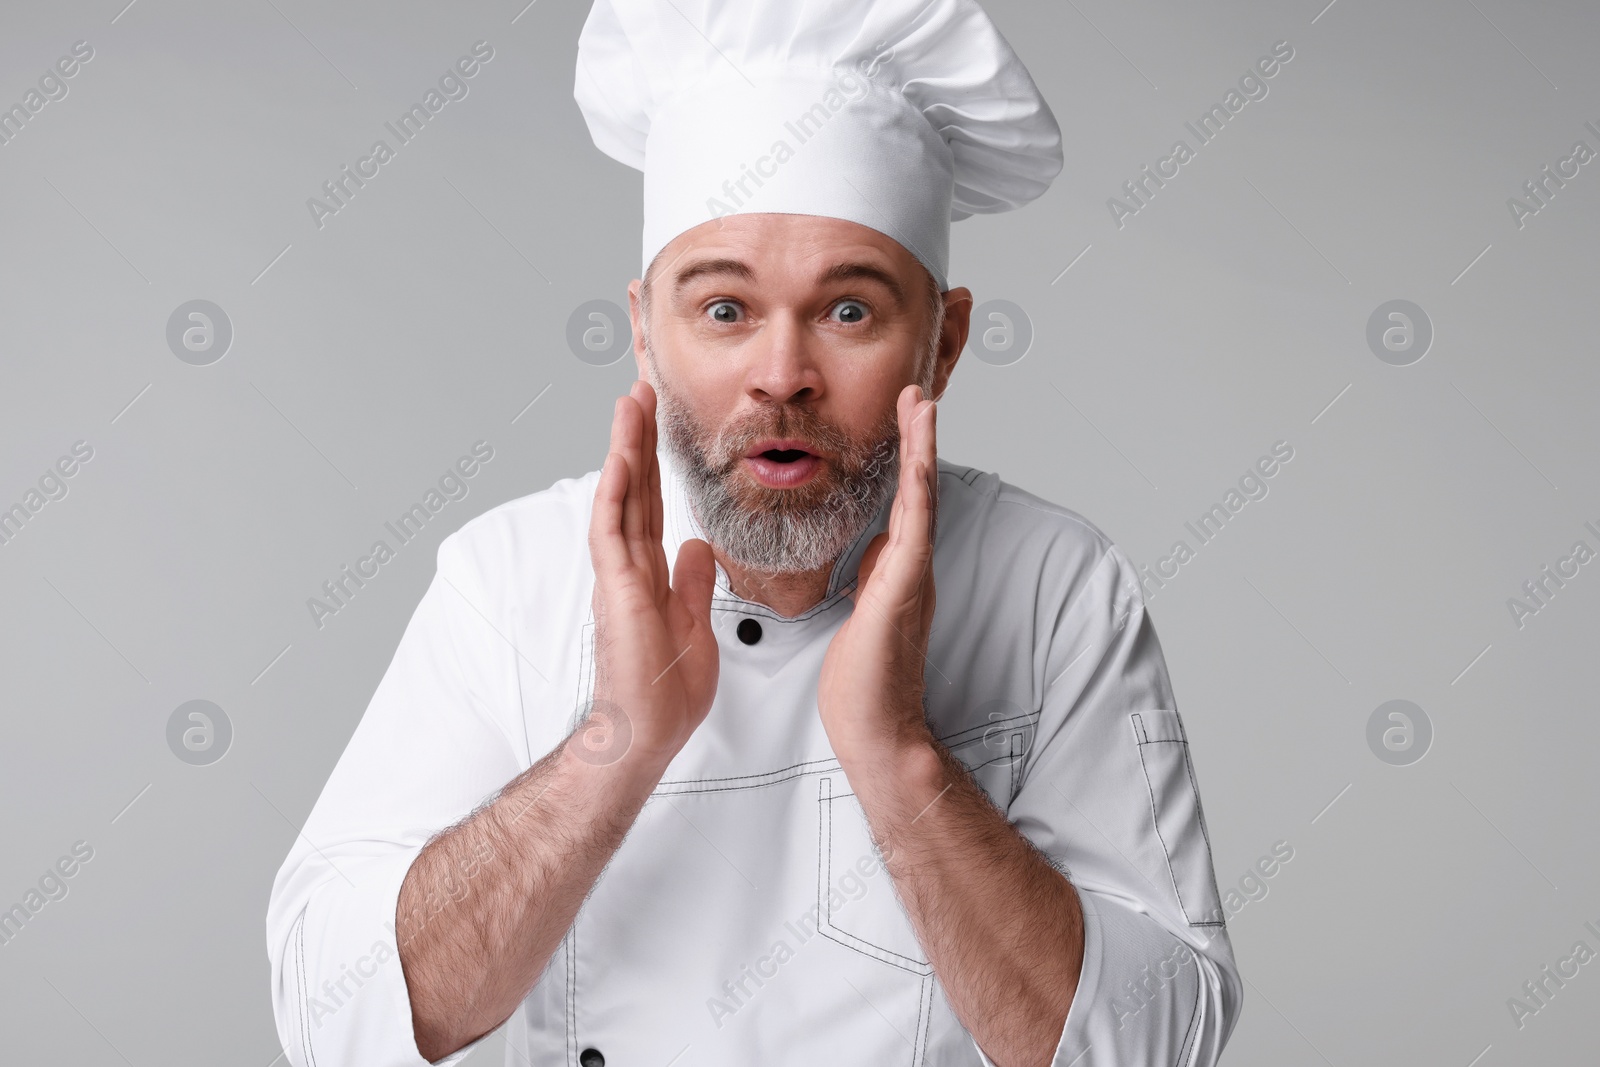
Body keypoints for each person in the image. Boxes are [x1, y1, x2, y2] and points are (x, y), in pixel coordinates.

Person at [266, 0, 1243, 1064]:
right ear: (645, 334)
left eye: (850, 310)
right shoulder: (507, 579)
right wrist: (614, 743)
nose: (782, 373)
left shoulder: (1055, 586)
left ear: (945, 344)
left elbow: (1157, 1039)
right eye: (724, 310)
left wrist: (900, 755)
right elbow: (334, 1017)